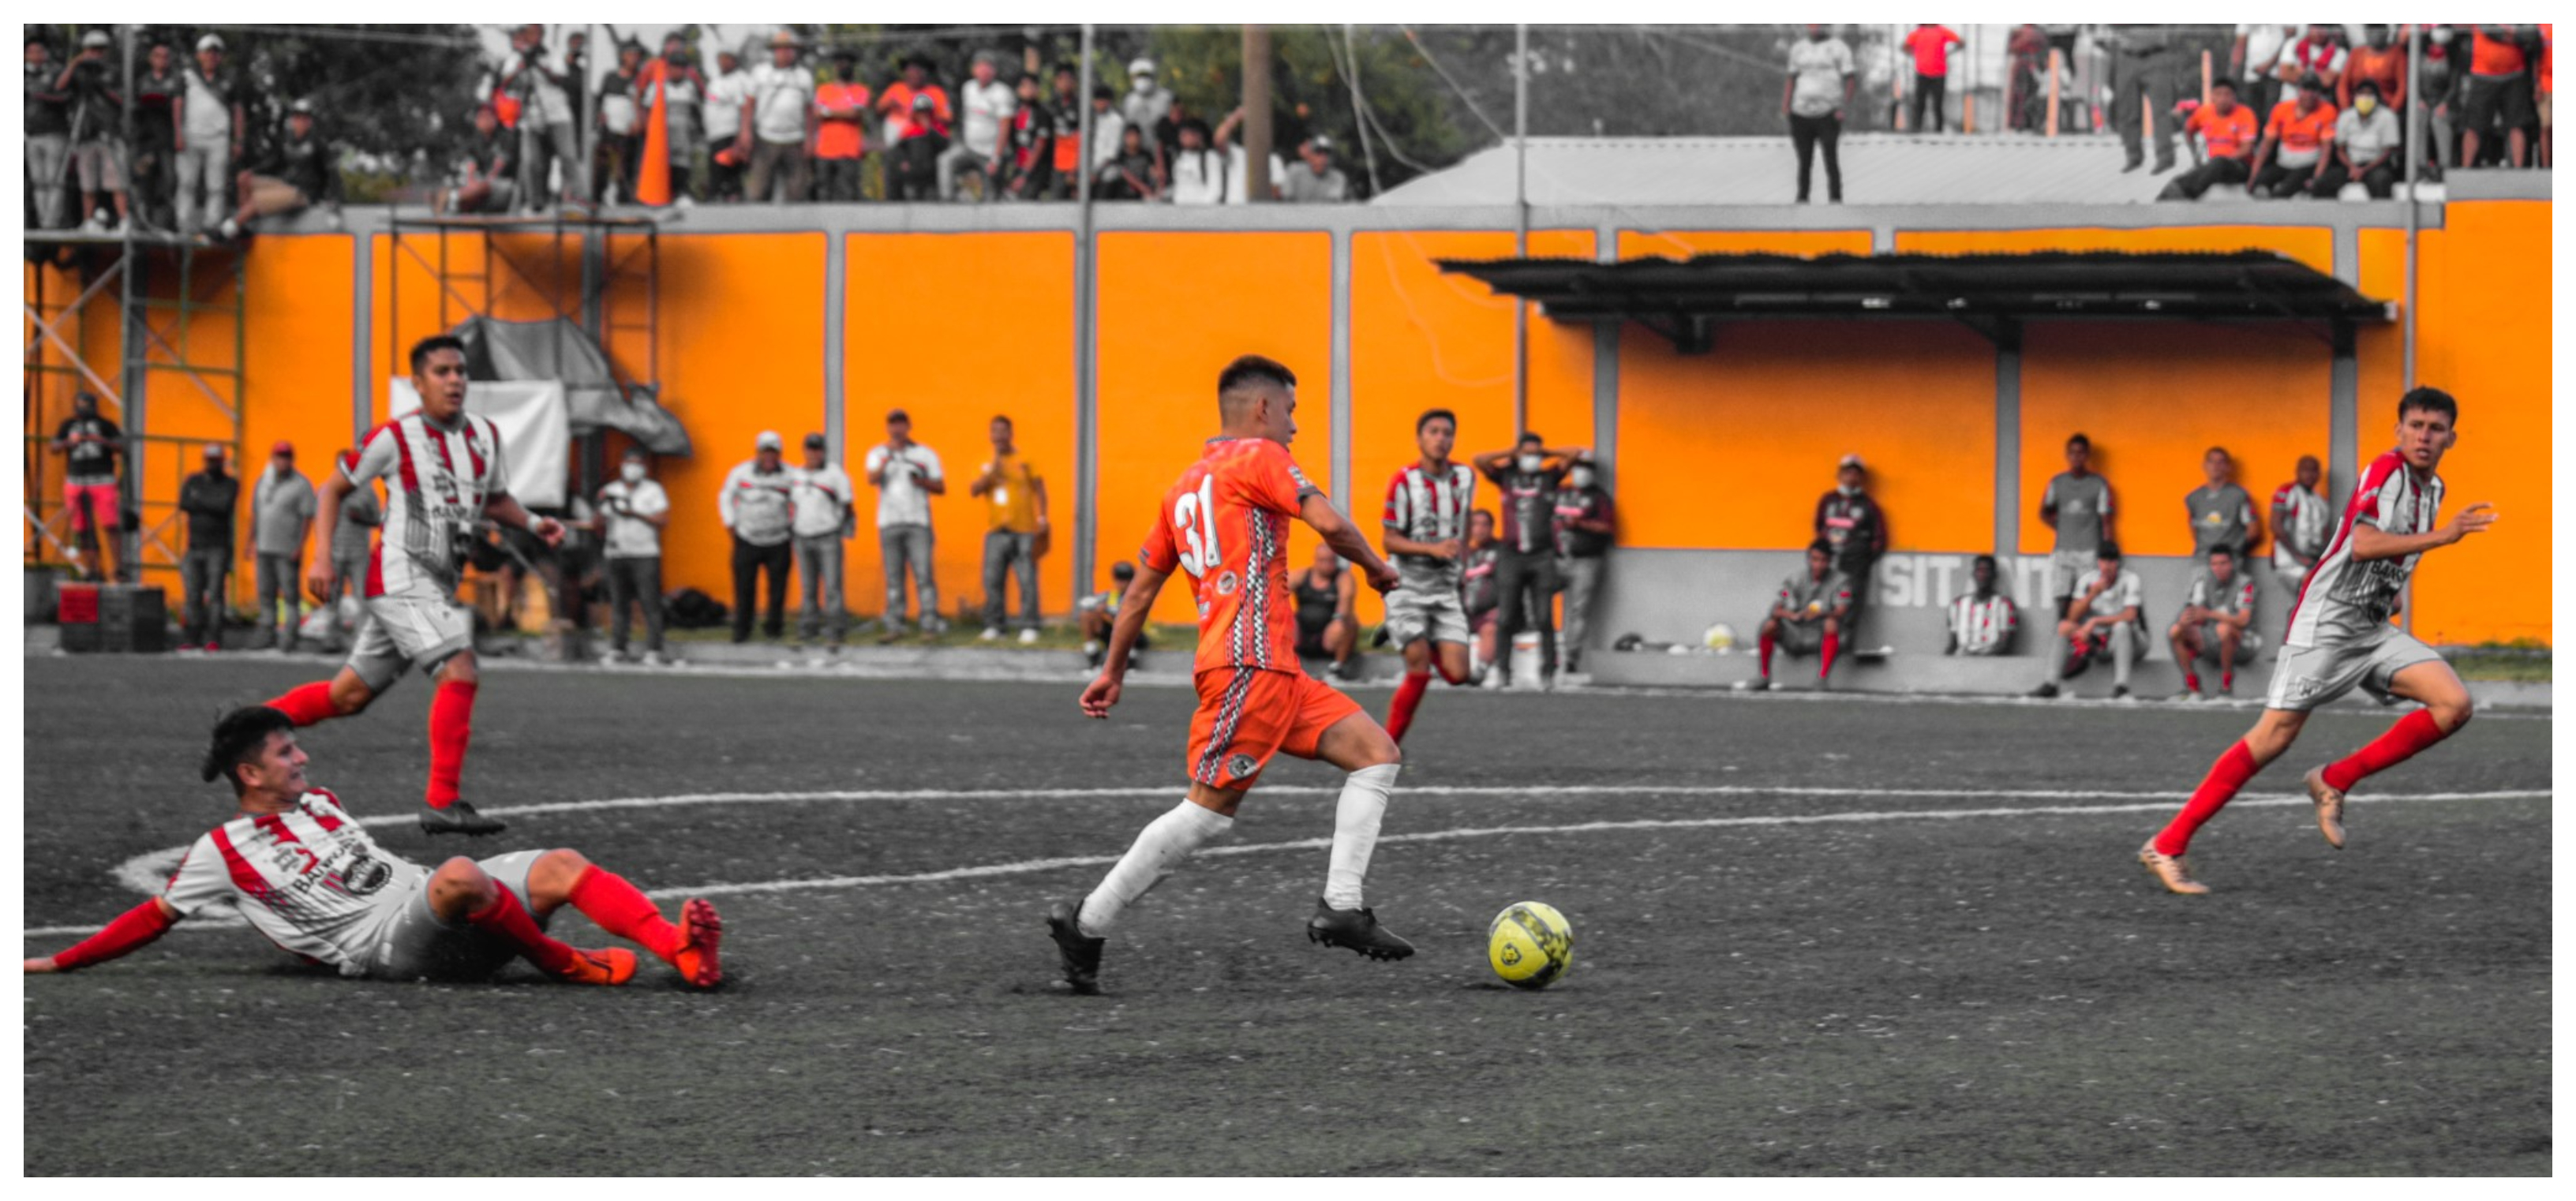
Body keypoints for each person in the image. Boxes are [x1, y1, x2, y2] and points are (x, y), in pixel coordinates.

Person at [1050, 354, 1410, 995]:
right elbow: (1327, 521)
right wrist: (1377, 570)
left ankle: (1342, 908)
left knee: (1376, 755)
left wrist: (1113, 670)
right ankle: (1087, 922)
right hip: (1249, 666)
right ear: (1262, 409)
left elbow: (1136, 596)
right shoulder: (1261, 458)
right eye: (1292, 411)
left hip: (1277, 671)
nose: (1296, 427)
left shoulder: (1182, 487)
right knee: (1208, 814)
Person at [24, 705, 722, 990]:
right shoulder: (222, 849)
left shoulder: (320, 802)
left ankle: (681, 953)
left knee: (563, 863)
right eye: (286, 751)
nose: (302, 757)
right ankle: (564, 964)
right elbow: (152, 918)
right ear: (250, 774)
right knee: (458, 874)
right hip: (385, 947)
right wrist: (60, 960)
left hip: (435, 906)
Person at [2141, 388, 2495, 895]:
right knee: (2273, 737)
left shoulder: (2433, 489)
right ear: (2398, 431)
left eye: (2435, 429)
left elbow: (2390, 558)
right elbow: (2364, 543)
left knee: (2453, 704)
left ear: (2451, 438)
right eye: (2415, 425)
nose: (2424, 436)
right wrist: (2444, 536)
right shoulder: (2386, 470)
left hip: (2370, 628)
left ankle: (2333, 779)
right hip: (2326, 623)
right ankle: (2168, 845)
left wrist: (2389, 595)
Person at [265, 335, 567, 837]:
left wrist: (535, 524)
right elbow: (332, 489)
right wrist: (320, 556)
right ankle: (442, 802)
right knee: (460, 668)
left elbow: (493, 501)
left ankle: (248, 725)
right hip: (401, 576)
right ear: (419, 383)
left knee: (348, 696)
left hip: (434, 586)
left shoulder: (485, 436)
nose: (455, 381)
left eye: (461, 372)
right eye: (443, 372)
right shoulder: (394, 437)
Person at [1380, 409, 1478, 739]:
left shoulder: (1465, 477)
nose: (1441, 439)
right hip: (1406, 584)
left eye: (1447, 433)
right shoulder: (1403, 481)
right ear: (1420, 439)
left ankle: (1409, 632)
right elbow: (1388, 539)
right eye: (1433, 432)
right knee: (1418, 667)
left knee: (1459, 674)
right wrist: (1432, 550)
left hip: (1444, 587)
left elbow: (1462, 523)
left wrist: (1460, 562)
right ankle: (1387, 747)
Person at [1473, 432, 1581, 690]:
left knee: (1544, 616)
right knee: (1506, 615)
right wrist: (1512, 453)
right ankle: (1502, 672)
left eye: (1535, 454)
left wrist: (1544, 454)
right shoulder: (1507, 477)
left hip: (1542, 556)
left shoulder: (1548, 477)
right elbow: (1479, 459)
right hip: (1511, 555)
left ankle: (1548, 674)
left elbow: (1576, 453)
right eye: (1527, 454)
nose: (1531, 458)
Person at [866, 409, 946, 639]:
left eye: (900, 424)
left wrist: (921, 481)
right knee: (893, 578)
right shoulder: (878, 453)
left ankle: (929, 623)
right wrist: (887, 459)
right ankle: (895, 625)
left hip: (917, 522)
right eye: (893, 425)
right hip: (889, 522)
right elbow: (871, 479)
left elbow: (941, 487)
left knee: (923, 575)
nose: (897, 429)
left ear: (908, 426)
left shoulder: (925, 454)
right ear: (887, 428)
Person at [2030, 541, 2143, 702]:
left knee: (2121, 627)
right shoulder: (2088, 580)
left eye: (2111, 561)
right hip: (2096, 641)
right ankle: (2051, 684)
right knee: (2064, 626)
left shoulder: (2130, 579)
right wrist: (2092, 594)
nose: (2107, 566)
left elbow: (2130, 615)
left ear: (2118, 563)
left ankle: (2121, 687)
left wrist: (2095, 621)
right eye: (2104, 561)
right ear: (2098, 562)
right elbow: (2072, 616)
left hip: (2129, 641)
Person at [1735, 539, 1851, 692]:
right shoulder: (1793, 579)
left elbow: (1842, 610)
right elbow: (1776, 609)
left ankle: (1822, 679)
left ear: (1830, 561)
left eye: (1824, 561)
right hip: (1795, 632)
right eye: (1815, 560)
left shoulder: (1842, 581)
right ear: (1808, 559)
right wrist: (1792, 616)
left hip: (1820, 634)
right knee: (1769, 625)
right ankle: (1763, 677)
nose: (1818, 565)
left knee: (1831, 623)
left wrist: (1821, 614)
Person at [218, 99, 342, 241]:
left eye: (304, 118)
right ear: (292, 120)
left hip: (302, 193)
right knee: (243, 179)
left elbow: (332, 173)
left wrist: (335, 203)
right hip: (285, 184)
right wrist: (253, 171)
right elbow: (274, 162)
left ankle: (226, 230)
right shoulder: (286, 140)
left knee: (258, 199)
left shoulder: (318, 143)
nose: (300, 122)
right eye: (297, 117)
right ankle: (245, 229)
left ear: (310, 121)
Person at [970, 414, 1047, 642]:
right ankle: (995, 626)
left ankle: (1030, 625)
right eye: (995, 431)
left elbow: (1040, 488)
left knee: (1027, 579)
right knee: (993, 580)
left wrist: (1042, 517)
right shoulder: (986, 462)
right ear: (990, 435)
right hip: (996, 530)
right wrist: (992, 470)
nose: (999, 436)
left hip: (1023, 529)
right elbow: (975, 490)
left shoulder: (1025, 459)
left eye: (1003, 431)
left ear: (1010, 434)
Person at [593, 446, 669, 665]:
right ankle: (618, 647)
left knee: (650, 602)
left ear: (643, 467)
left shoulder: (653, 490)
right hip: (616, 552)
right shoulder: (612, 489)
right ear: (622, 465)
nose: (633, 468)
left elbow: (662, 521)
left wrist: (634, 512)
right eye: (629, 464)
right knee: (618, 603)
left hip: (645, 553)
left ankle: (654, 649)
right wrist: (601, 504)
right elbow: (597, 524)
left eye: (638, 464)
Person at [718, 431, 796, 644]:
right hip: (747, 538)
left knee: (778, 590)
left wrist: (793, 525)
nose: (769, 457)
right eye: (765, 452)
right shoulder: (740, 473)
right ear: (758, 452)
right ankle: (742, 629)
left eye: (774, 452)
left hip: (779, 539)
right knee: (744, 587)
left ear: (779, 454)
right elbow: (725, 495)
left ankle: (774, 628)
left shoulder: (791, 475)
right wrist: (730, 523)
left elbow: (799, 500)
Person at [1551, 456, 1616, 677]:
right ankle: (1545, 653)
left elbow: (1607, 527)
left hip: (1586, 560)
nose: (1581, 472)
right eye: (1578, 468)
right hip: (1556, 557)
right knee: (1539, 602)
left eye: (1587, 469)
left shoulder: (1599, 498)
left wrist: (1580, 524)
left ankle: (1570, 659)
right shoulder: (1561, 492)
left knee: (1579, 610)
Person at [59, 29, 129, 233]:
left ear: (106, 51)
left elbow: (124, 100)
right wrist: (75, 63)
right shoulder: (79, 72)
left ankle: (124, 220)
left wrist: (102, 87)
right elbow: (59, 87)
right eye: (92, 49)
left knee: (117, 180)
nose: (96, 54)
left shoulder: (115, 72)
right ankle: (88, 221)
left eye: (100, 49)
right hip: (86, 132)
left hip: (110, 131)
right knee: (87, 182)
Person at [249, 441, 316, 652]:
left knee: (289, 594)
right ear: (273, 458)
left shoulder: (301, 484)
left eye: (287, 457)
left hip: (287, 549)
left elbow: (307, 517)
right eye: (279, 457)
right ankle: (267, 633)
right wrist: (250, 541)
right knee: (265, 593)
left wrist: (300, 545)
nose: (283, 461)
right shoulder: (264, 481)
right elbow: (256, 514)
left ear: (292, 460)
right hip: (264, 547)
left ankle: (289, 636)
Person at [2169, 544, 2259, 702]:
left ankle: (2226, 686)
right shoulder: (2203, 580)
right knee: (2176, 631)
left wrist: (2209, 614)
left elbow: (2243, 620)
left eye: (2223, 563)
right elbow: (2196, 613)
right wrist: (2185, 620)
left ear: (2233, 564)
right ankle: (2193, 687)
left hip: (2244, 644)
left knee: (2224, 629)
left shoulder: (2245, 583)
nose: (2218, 568)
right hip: (2211, 639)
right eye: (2214, 564)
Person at [49, 391, 124, 581]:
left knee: (110, 524)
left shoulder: (106, 425)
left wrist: (99, 440)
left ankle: (119, 568)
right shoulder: (68, 424)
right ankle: (92, 568)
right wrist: (69, 442)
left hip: (102, 479)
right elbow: (54, 447)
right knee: (81, 527)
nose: (83, 410)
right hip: (76, 480)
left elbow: (121, 446)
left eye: (87, 406)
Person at [1813, 453, 1885, 648]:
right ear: (1839, 475)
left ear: (1861, 478)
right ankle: (1818, 645)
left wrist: (1861, 558)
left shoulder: (1868, 505)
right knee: (1822, 601)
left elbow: (1879, 539)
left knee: (1848, 606)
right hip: (1828, 564)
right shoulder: (1828, 501)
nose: (1851, 477)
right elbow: (1819, 527)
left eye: (1855, 473)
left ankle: (1843, 648)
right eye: (1847, 473)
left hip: (1854, 568)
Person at [790, 432, 855, 649]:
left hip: (827, 536)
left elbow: (847, 504)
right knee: (808, 587)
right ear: (804, 451)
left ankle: (835, 629)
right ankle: (808, 627)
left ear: (823, 451)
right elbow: (791, 504)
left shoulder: (834, 474)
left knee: (832, 586)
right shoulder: (796, 475)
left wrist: (837, 526)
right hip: (802, 536)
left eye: (818, 449)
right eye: (810, 449)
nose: (814, 453)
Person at [2038, 432, 2115, 611]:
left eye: (2081, 453)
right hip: (2062, 552)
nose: (2076, 457)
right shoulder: (2057, 483)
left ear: (2087, 455)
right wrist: (2060, 526)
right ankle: (2063, 636)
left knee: (2089, 600)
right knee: (2061, 599)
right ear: (2067, 455)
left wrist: (2108, 555)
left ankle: (2084, 638)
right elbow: (2044, 511)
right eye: (2072, 453)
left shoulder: (2099, 484)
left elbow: (2106, 521)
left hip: (2089, 553)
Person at [1783, 24, 1855, 204]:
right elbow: (1791, 78)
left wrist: (1842, 107)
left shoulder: (1838, 48)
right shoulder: (1798, 49)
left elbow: (1851, 79)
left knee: (1830, 158)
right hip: (1801, 112)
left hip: (1828, 112)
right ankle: (1802, 200)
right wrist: (1786, 106)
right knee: (1804, 161)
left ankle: (1835, 200)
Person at [177, 442, 238, 652]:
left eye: (216, 460)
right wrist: (210, 503)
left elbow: (224, 506)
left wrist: (199, 501)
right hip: (194, 546)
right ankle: (192, 637)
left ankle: (214, 638)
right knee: (192, 594)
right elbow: (184, 503)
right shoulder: (193, 479)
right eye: (209, 460)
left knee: (215, 595)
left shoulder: (230, 483)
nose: (212, 464)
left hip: (218, 547)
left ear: (222, 461)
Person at [741, 31, 814, 204]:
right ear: (774, 51)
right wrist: (745, 132)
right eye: (780, 49)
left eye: (789, 49)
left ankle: (794, 229)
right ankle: (758, 228)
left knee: (796, 193)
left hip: (795, 140)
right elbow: (749, 104)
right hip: (766, 138)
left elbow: (809, 110)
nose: (785, 53)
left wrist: (810, 138)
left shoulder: (804, 76)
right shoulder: (760, 72)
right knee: (758, 192)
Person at [2159, 78, 2260, 200]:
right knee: (2200, 169)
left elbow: (2246, 148)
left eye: (2227, 95)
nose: (2223, 99)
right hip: (2214, 166)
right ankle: (2166, 195)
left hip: (2240, 166)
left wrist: (2226, 159)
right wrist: (2195, 156)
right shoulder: (2204, 112)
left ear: (2234, 97)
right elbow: (2188, 129)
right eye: (2219, 94)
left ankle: (2185, 194)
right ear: (2212, 96)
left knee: (2218, 163)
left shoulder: (2245, 114)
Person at [322, 447, 380, 650]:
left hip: (358, 553)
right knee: (331, 599)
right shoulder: (328, 489)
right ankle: (331, 640)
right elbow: (319, 521)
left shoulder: (366, 490)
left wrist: (362, 516)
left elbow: (379, 519)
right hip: (334, 552)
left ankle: (360, 642)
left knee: (362, 599)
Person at [2247, 75, 2338, 199]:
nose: (2309, 94)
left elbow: (2326, 152)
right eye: (2306, 89)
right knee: (2259, 185)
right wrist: (2254, 175)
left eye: (2314, 90)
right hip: (2283, 162)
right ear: (2299, 90)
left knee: (2283, 191)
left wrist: (2316, 179)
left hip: (2307, 164)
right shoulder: (2281, 109)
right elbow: (2265, 146)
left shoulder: (2327, 111)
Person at [939, 50, 1014, 200]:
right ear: (973, 70)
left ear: (994, 71)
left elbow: (1005, 128)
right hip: (969, 149)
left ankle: (993, 214)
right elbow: (965, 118)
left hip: (991, 154)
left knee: (990, 196)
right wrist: (958, 141)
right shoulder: (968, 88)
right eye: (980, 66)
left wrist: (996, 159)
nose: (984, 71)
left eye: (988, 67)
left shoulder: (1002, 93)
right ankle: (947, 202)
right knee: (946, 161)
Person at [2311, 79, 2403, 199]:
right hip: (2350, 164)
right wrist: (2352, 168)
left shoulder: (2387, 116)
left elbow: (2388, 152)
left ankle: (2382, 217)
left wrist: (2364, 170)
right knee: (2322, 183)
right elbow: (2341, 149)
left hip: (2376, 165)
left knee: (2382, 181)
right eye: (2361, 94)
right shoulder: (2346, 116)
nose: (2365, 98)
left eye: (2369, 94)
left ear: (2377, 97)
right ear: (2354, 96)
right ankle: (2328, 217)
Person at [1292, 545, 1361, 681]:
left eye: (1331, 561)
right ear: (1316, 560)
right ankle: (1284, 666)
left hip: (1329, 638)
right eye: (1323, 561)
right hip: (1302, 635)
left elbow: (1346, 602)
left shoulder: (1343, 578)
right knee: (1280, 618)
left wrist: (1338, 620)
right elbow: (1275, 592)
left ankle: (1337, 668)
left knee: (1350, 621)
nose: (1327, 565)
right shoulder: (1301, 576)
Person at [812, 48, 870, 203]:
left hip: (849, 151)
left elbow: (855, 114)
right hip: (824, 151)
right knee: (824, 193)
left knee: (848, 194)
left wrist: (829, 111)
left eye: (847, 63)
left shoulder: (860, 90)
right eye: (840, 63)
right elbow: (817, 113)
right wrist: (843, 111)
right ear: (835, 66)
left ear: (853, 66)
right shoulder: (824, 90)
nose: (843, 66)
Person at [593, 40, 646, 204]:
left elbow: (644, 104)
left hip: (629, 132)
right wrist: (599, 116)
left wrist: (639, 121)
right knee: (603, 166)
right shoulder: (610, 77)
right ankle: (598, 199)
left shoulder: (640, 79)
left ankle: (625, 201)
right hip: (609, 131)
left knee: (625, 169)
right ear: (623, 56)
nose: (634, 58)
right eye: (630, 54)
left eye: (637, 55)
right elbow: (599, 100)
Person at [2185, 446, 2259, 561]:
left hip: (2231, 560)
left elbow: (2253, 531)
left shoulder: (2239, 495)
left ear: (2228, 467)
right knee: (2199, 580)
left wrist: (2235, 549)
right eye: (2211, 461)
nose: (2216, 466)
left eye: (2221, 462)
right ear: (2204, 466)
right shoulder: (2194, 497)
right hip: (2202, 559)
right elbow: (2194, 529)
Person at [440, 104, 515, 215]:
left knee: (483, 187)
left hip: (503, 184)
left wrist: (480, 184)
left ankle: (453, 198)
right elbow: (471, 164)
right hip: (479, 186)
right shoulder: (474, 141)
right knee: (471, 189)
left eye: (487, 116)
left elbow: (498, 168)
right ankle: (456, 202)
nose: (484, 120)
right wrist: (472, 183)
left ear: (495, 118)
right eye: (480, 117)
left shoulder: (506, 137)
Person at [2270, 455, 2329, 587]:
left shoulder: (2321, 503)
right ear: (2297, 472)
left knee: (2310, 599)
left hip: (2311, 561)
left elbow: (2324, 535)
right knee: (2311, 591)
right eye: (2305, 470)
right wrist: (2297, 556)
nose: (2309, 475)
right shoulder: (2287, 491)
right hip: (2288, 561)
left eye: (2313, 470)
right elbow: (2276, 525)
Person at [1944, 554, 2019, 656]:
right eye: (1979, 570)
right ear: (1974, 574)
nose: (1982, 575)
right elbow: (1953, 644)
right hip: (1962, 664)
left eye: (1987, 571)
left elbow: (2004, 646)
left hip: (1992, 664)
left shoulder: (2005, 605)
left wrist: (1980, 656)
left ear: (1994, 575)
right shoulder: (1957, 605)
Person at [702, 48, 751, 202]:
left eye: (727, 58)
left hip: (729, 135)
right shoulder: (716, 81)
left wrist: (741, 137)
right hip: (714, 136)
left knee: (729, 179)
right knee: (716, 176)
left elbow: (744, 108)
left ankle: (733, 214)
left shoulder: (739, 80)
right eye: (720, 58)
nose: (723, 62)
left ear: (734, 60)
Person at [1076, 559, 1144, 669]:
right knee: (1086, 614)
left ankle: (1130, 660)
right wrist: (1097, 608)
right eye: (1119, 580)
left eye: (1125, 581)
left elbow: (1131, 613)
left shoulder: (1137, 596)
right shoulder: (1110, 596)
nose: (1121, 584)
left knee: (1127, 622)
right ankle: (1092, 652)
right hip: (1113, 632)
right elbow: (1086, 603)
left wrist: (1107, 610)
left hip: (1136, 635)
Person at [1460, 509, 1502, 683]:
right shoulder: (1462, 553)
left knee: (1490, 628)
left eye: (1485, 524)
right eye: (1475, 525)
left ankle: (1480, 672)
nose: (1480, 529)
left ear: (1492, 527)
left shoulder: (1502, 552)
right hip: (1463, 613)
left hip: (1490, 612)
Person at [1903, 24, 1964, 133]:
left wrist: (1948, 53)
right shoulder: (1918, 33)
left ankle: (1938, 130)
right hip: (1922, 72)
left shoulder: (1942, 31)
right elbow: (1906, 47)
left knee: (1938, 104)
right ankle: (1917, 128)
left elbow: (1961, 42)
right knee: (1920, 103)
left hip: (1939, 73)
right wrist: (1917, 54)